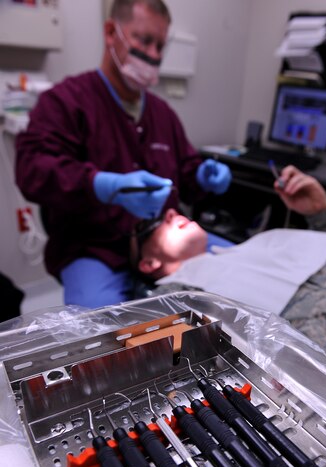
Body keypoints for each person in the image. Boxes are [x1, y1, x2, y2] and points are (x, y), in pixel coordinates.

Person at [15, 0, 231, 308]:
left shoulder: (162, 114)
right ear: (110, 33)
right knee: (99, 337)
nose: (154, 55)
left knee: (242, 280)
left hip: (163, 246)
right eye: (144, 41)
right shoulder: (65, 102)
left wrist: (201, 175)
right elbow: (32, 170)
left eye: (160, 45)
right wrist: (102, 185)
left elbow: (185, 169)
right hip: (93, 248)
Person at [134, 166, 326, 398]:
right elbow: (253, 379)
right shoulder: (173, 297)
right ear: (149, 263)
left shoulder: (255, 248)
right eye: (152, 222)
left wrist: (324, 214)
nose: (170, 211)